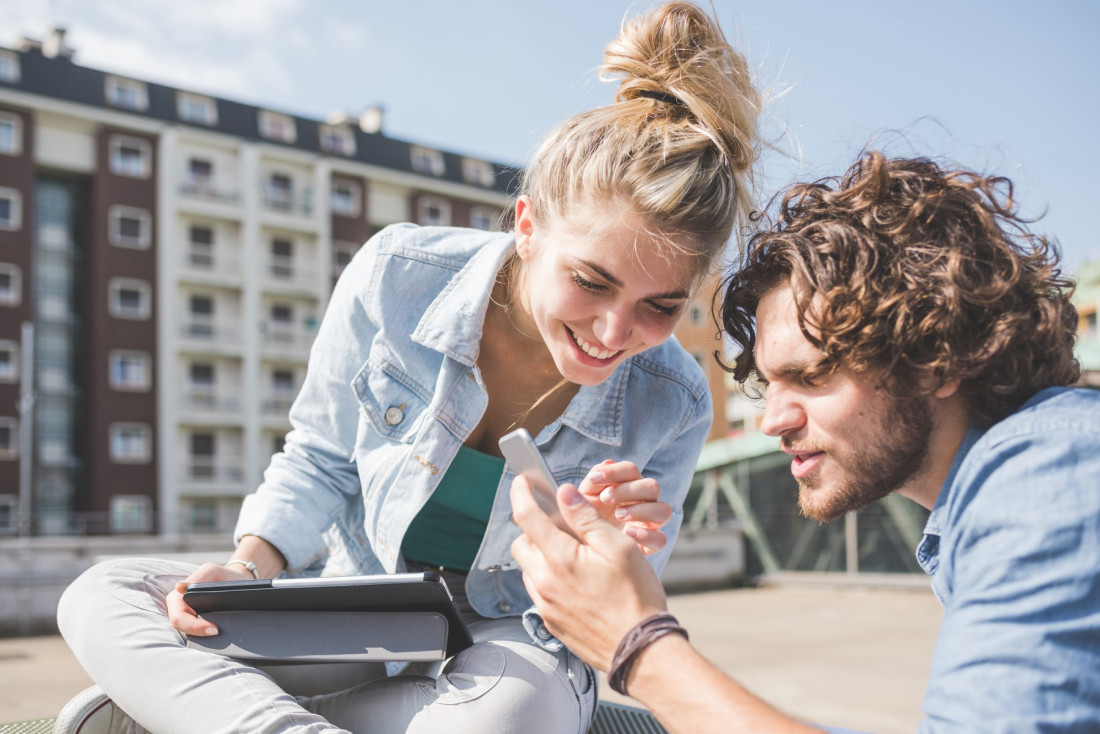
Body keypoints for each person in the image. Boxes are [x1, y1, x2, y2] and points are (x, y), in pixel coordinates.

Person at [54, 3, 763, 733]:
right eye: (591, 281)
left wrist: (607, 553)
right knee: (101, 594)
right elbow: (320, 458)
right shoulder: (397, 275)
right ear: (527, 228)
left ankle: (196, 716)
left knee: (508, 718)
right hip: (358, 607)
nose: (615, 332)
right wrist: (248, 569)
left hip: (514, 641)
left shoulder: (674, 402)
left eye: (662, 305)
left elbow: (610, 620)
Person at [511, 151, 1100, 732]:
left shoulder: (1051, 475)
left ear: (935, 359)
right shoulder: (1001, 487)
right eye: (769, 385)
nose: (772, 421)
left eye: (812, 377)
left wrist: (635, 645)